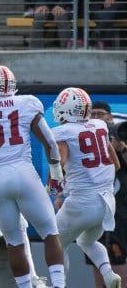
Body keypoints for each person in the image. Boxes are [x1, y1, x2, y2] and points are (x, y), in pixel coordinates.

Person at [0, 65, 66, 288]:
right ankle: (58, 285)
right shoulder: (26, 102)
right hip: (23, 172)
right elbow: (50, 143)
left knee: (14, 242)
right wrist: (56, 173)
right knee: (50, 233)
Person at [50, 87, 122, 288]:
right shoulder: (99, 126)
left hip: (82, 202)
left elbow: (59, 161)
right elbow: (115, 164)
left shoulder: (64, 132)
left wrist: (53, 182)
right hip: (107, 202)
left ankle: (58, 284)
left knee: (55, 243)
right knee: (86, 241)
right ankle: (108, 273)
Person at [87, 100, 127, 288]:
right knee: (99, 269)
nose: (96, 118)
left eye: (99, 114)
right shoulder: (86, 138)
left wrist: (121, 145)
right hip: (97, 214)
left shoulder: (119, 134)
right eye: (92, 114)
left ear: (109, 117)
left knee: (121, 272)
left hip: (120, 217)